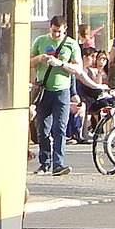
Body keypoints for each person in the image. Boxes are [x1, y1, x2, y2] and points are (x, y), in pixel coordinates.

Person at [30, 16, 81, 176]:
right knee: (42, 130)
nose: (56, 34)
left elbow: (78, 69)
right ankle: (44, 163)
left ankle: (58, 164)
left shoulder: (71, 44)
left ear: (65, 29)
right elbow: (28, 62)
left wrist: (61, 64)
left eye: (59, 32)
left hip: (62, 91)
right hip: (43, 91)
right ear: (49, 28)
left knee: (60, 128)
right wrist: (40, 59)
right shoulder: (40, 41)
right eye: (53, 31)